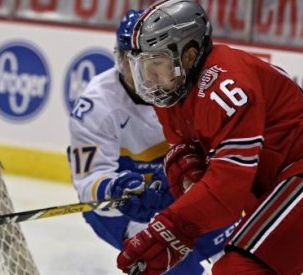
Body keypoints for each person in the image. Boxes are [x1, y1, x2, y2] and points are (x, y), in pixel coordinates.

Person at [116, 1, 303, 274]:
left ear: (189, 55)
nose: (149, 79)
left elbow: (228, 190)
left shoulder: (225, 85)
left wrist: (171, 227)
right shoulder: (172, 93)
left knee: (239, 269)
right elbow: (185, 150)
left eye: (156, 64)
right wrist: (186, 170)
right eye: (144, 68)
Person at [67, 9, 232, 274]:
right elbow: (88, 180)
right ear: (119, 60)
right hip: (123, 210)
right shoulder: (97, 107)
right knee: (177, 267)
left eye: (153, 62)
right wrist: (115, 191)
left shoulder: (189, 89)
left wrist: (179, 182)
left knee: (237, 255)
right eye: (132, 62)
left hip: (176, 191)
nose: (145, 73)